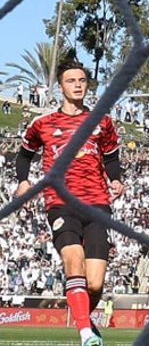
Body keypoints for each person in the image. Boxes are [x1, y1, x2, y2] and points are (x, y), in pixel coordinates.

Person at [13, 60, 125, 346]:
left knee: (95, 283)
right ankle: (86, 333)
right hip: (60, 202)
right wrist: (23, 180)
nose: (77, 85)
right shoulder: (43, 124)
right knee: (73, 262)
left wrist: (116, 179)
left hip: (97, 203)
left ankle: (83, 320)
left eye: (82, 80)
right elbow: (24, 154)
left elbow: (111, 156)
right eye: (71, 80)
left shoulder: (102, 121)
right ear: (60, 86)